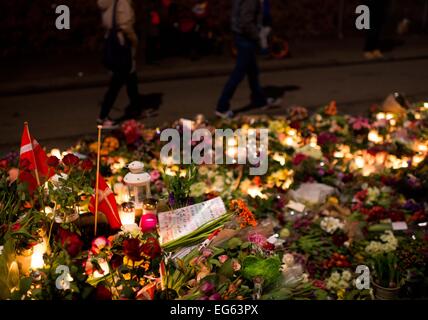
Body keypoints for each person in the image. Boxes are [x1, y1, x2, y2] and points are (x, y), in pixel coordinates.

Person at [215, 0, 268, 119]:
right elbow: (246, 22)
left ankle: (259, 99)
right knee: (238, 73)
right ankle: (222, 106)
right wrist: (258, 37)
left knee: (253, 71)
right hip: (246, 39)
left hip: (242, 37)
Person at [97, 0, 141, 128]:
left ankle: (136, 108)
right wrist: (134, 40)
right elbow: (125, 24)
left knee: (131, 77)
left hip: (113, 40)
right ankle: (102, 116)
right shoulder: (122, 2)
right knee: (117, 82)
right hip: (122, 43)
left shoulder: (107, 2)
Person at [146, 0, 162, 65]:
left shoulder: (155, 5)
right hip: (151, 28)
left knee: (153, 43)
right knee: (151, 44)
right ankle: (150, 59)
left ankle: (152, 59)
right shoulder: (149, 6)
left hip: (153, 28)